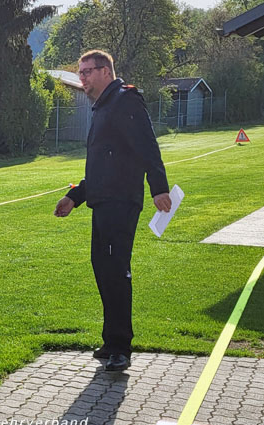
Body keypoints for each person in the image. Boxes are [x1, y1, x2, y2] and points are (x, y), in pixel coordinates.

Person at [53, 50, 172, 371]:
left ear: (105, 71)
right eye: (80, 72)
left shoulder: (125, 100)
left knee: (116, 270)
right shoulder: (103, 107)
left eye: (87, 71)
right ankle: (111, 340)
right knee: (103, 268)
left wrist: (159, 187)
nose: (82, 78)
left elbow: (147, 145)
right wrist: (75, 197)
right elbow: (103, 164)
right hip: (102, 202)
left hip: (121, 202)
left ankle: (121, 347)